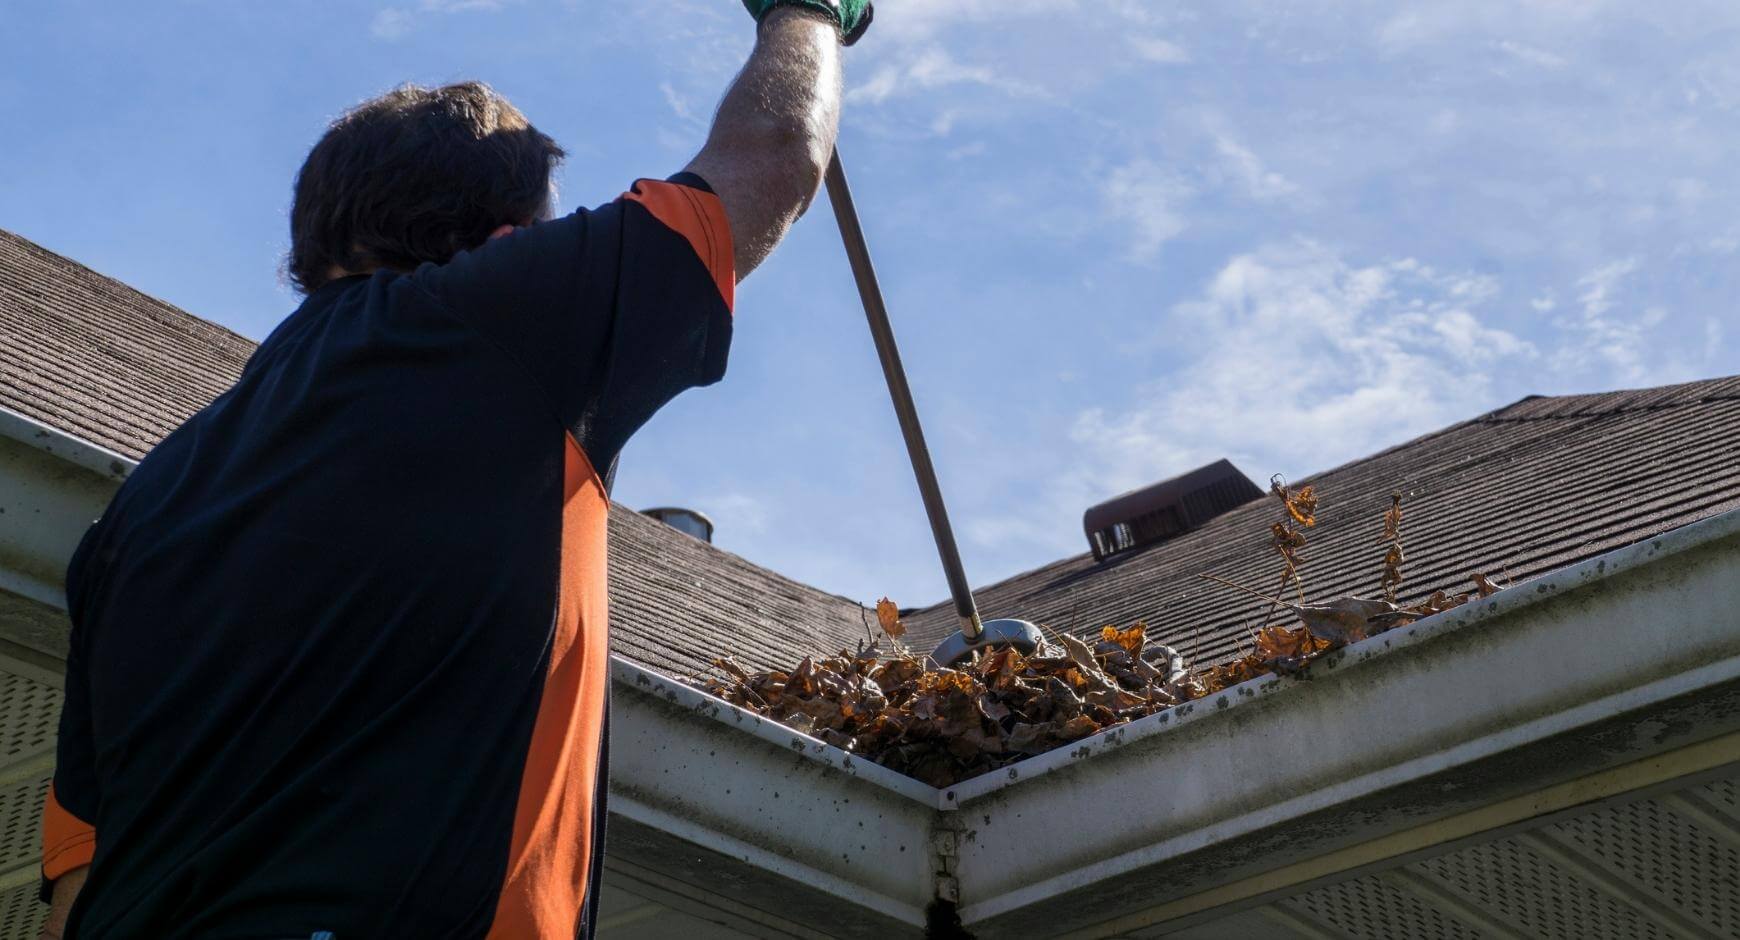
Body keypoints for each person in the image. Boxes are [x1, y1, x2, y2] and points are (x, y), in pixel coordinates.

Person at [38, 1, 870, 936]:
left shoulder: (142, 506)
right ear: (513, 240)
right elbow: (774, 154)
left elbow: (79, 868)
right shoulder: (497, 324)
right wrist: (810, 14)